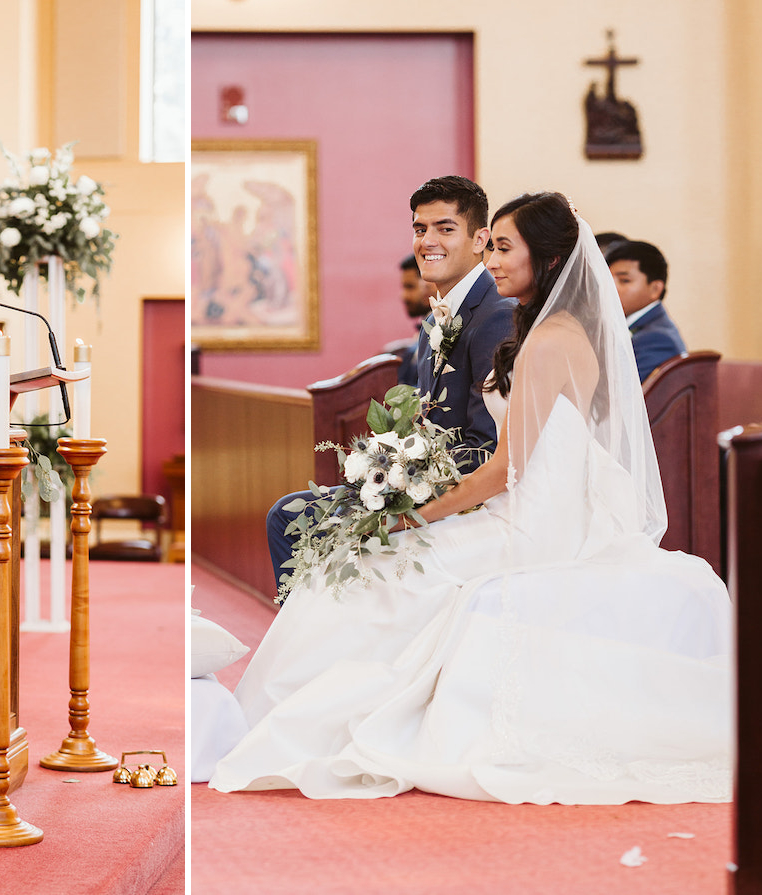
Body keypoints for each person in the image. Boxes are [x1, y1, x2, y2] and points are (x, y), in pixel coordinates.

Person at [211, 193, 732, 804]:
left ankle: (311, 717)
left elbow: (502, 470)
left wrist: (412, 518)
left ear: (549, 256)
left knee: (379, 570)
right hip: (541, 507)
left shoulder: (548, 341)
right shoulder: (557, 331)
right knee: (367, 565)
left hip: (530, 522)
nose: (493, 259)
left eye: (504, 247)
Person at [265, 176, 515, 591]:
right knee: (291, 511)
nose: (427, 240)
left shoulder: (496, 316)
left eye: (445, 228)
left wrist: (402, 478)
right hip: (421, 478)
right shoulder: (435, 319)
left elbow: (487, 446)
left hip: (467, 497)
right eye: (420, 229)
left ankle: (314, 643)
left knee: (290, 516)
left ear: (479, 239)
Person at [606, 239, 687, 382]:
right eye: (607, 279)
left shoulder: (657, 339)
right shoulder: (648, 328)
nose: (611, 288)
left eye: (624, 280)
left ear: (655, 289)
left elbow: (624, 394)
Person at [381, 254, 436, 387]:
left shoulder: (441, 329)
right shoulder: (419, 336)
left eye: (410, 287)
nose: (403, 296)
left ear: (431, 285)